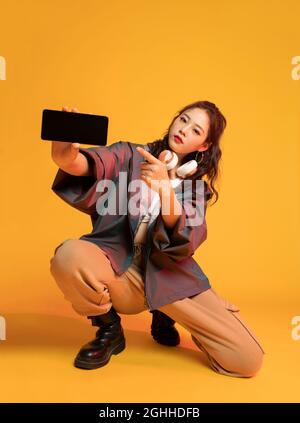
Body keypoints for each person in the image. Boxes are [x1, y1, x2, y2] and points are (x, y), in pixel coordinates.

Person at [49, 101, 265, 377]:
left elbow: (188, 238)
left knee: (247, 359)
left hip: (168, 278)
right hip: (119, 270)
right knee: (68, 256)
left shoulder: (196, 189)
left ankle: (165, 313)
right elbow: (79, 164)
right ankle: (109, 330)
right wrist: (63, 154)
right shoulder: (129, 154)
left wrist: (165, 189)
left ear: (203, 146)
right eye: (183, 119)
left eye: (196, 130)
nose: (185, 129)